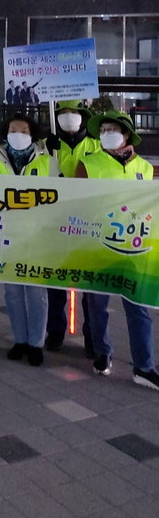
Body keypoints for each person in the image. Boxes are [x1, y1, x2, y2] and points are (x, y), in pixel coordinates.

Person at [76, 110, 159, 390]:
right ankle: (103, 352)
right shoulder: (87, 164)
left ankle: (144, 366)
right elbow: (77, 203)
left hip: (135, 248)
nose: (107, 133)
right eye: (103, 130)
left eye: (113, 129)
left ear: (127, 135)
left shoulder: (144, 168)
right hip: (97, 245)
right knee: (97, 305)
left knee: (138, 307)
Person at [0, 114, 58, 366]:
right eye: (13, 130)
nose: (18, 134)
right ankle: (20, 340)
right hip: (7, 235)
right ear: (5, 133)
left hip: (38, 236)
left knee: (36, 293)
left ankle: (36, 342)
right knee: (13, 293)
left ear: (32, 134)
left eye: (24, 130)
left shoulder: (48, 161)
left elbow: (59, 197)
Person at [45, 100, 100, 354]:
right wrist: (47, 154)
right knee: (54, 280)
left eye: (74, 112)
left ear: (83, 116)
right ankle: (55, 331)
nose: (69, 117)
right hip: (55, 219)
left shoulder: (96, 146)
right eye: (63, 112)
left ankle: (93, 336)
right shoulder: (47, 145)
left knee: (89, 284)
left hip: (88, 221)